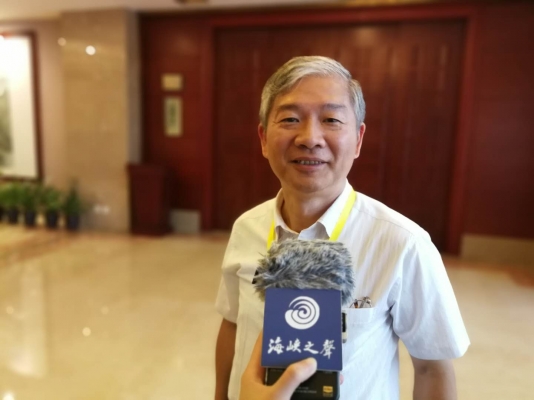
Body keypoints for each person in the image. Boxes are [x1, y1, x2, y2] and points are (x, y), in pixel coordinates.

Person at [214, 56, 469, 400]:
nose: (310, 138)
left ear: (358, 139)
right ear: (263, 138)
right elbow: (232, 324)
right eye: (290, 119)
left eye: (331, 120)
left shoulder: (403, 242)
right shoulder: (246, 227)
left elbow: (431, 368)